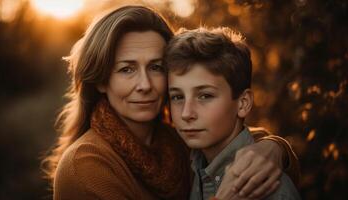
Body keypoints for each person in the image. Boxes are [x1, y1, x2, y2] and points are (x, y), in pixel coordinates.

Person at [42, 5, 298, 200]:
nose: (144, 85)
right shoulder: (86, 167)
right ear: (100, 80)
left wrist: (275, 149)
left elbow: (239, 141)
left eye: (155, 67)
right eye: (126, 69)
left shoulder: (179, 138)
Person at [165, 27, 301, 199]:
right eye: (177, 97)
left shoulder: (269, 191)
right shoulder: (190, 168)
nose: (186, 113)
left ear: (243, 103)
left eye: (205, 95)